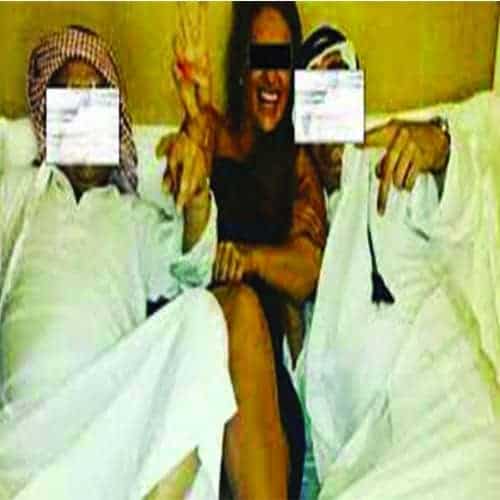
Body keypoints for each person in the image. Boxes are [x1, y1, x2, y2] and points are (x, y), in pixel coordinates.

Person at [0, 25, 236, 500]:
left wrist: (195, 198)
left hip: (110, 422)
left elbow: (193, 268)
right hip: (24, 438)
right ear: (48, 118)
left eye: (97, 99)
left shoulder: (132, 217)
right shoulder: (17, 195)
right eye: (71, 100)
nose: (85, 111)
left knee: (203, 314)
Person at [300, 25, 500, 499]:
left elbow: (464, 219)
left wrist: (441, 145)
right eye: (313, 90)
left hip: (446, 423)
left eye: (336, 77)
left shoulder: (391, 162)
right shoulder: (309, 230)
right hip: (365, 461)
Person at [169, 3, 327, 499]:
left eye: (283, 61)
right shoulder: (213, 134)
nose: (272, 77)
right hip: (199, 359)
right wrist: (193, 112)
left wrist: (248, 259)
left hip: (262, 394)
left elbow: (308, 268)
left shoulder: (298, 162)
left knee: (244, 307)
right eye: (261, 59)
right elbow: (190, 170)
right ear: (242, 67)